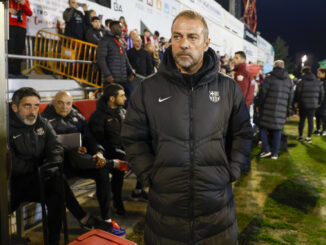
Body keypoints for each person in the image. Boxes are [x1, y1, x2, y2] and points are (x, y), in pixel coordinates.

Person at [121, 10, 252, 244]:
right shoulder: (148, 89)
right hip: (165, 215)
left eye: (192, 37)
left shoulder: (228, 88)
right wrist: (149, 175)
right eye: (177, 36)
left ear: (206, 43)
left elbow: (242, 133)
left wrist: (232, 169)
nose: (183, 44)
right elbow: (133, 137)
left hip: (217, 215)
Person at [8, 88, 119, 245]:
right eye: (27, 106)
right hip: (14, 183)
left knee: (57, 193)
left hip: (41, 178)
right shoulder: (5, 126)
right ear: (15, 107)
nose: (32, 111)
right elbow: (11, 163)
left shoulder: (41, 121)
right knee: (57, 183)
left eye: (36, 106)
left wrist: (51, 163)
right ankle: (83, 218)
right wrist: (42, 167)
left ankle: (54, 241)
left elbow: (56, 147)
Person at [41, 91, 127, 235]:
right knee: (74, 154)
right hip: (61, 166)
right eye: (60, 103)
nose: (64, 107)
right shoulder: (44, 120)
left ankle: (106, 219)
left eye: (68, 103)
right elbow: (44, 147)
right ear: (53, 103)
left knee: (102, 172)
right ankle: (111, 163)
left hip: (81, 163)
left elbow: (89, 138)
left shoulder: (77, 116)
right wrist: (67, 149)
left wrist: (98, 152)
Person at [89, 84, 130, 216]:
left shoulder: (122, 111)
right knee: (120, 164)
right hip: (104, 153)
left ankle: (139, 190)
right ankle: (117, 201)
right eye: (122, 95)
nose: (125, 98)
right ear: (112, 98)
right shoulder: (98, 116)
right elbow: (100, 141)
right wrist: (121, 153)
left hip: (121, 150)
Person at [257, 60, 293, 159]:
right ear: (283, 66)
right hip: (281, 109)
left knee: (263, 128)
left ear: (275, 66)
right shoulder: (289, 80)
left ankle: (266, 149)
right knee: (277, 130)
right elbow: (291, 96)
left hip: (268, 108)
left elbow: (262, 94)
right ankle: (275, 153)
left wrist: (259, 105)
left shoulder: (269, 78)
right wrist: (287, 107)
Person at [97, 21, 133, 89]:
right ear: (113, 28)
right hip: (110, 80)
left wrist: (131, 72)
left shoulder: (120, 41)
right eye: (120, 27)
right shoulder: (105, 40)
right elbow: (101, 58)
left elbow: (125, 59)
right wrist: (107, 75)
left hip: (122, 79)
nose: (122, 29)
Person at [294, 66, 324, 143]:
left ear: (303, 72)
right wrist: (319, 102)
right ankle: (308, 138)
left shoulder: (301, 81)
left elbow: (297, 93)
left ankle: (300, 136)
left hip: (303, 104)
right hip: (313, 104)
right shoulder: (318, 82)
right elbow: (322, 93)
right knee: (310, 121)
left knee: (302, 120)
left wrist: (297, 102)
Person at [8, 0, 32, 79]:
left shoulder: (25, 1)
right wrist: (8, 10)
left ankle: (17, 72)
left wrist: (24, 4)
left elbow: (30, 13)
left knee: (20, 49)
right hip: (9, 24)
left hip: (22, 27)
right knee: (9, 47)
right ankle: (7, 71)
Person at [315, 67, 326, 136]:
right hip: (318, 101)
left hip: (324, 102)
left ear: (324, 73)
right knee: (317, 115)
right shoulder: (319, 80)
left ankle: (324, 130)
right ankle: (318, 129)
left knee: (323, 116)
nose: (317, 74)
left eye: (319, 73)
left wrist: (321, 102)